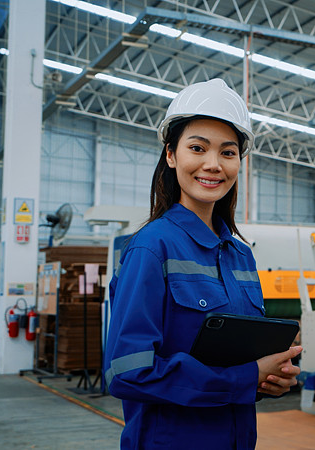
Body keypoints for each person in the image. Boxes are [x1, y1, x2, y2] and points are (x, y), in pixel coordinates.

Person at [103, 78, 302, 449]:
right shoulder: (151, 248)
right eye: (198, 148)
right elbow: (127, 372)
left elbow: (241, 360)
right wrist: (245, 378)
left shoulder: (241, 255)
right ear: (171, 155)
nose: (213, 165)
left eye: (228, 153)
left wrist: (271, 379)